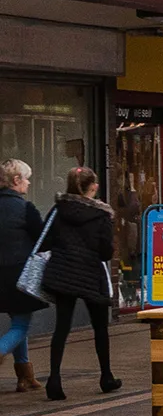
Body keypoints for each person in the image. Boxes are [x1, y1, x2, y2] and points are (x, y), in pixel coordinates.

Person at [40, 167, 119, 400]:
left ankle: (54, 380)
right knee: (100, 327)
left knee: (61, 328)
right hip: (89, 275)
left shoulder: (58, 209)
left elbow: (46, 241)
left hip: (63, 273)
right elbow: (106, 252)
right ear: (92, 187)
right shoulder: (101, 215)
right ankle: (106, 376)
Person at [0, 160, 45, 392]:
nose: (28, 182)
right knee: (20, 325)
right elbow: (42, 237)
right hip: (19, 275)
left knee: (18, 320)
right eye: (26, 178)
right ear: (16, 181)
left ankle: (24, 375)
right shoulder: (25, 209)